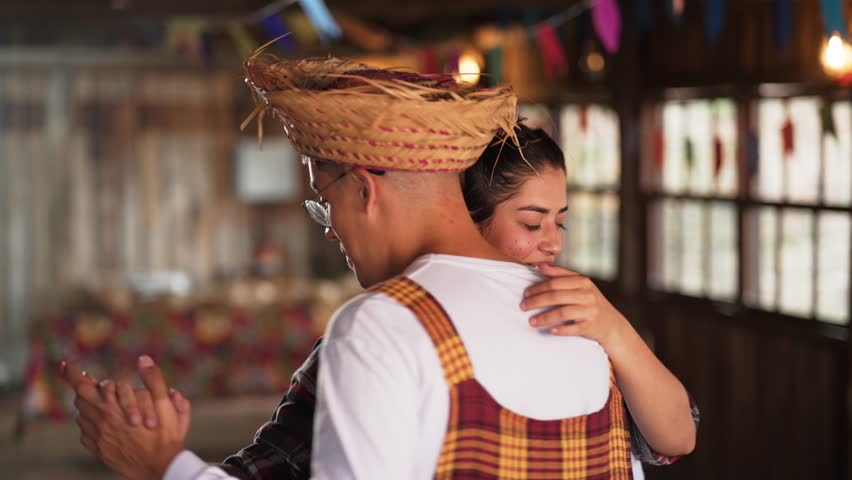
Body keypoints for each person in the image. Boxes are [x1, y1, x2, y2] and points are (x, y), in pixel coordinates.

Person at [62, 56, 696, 480]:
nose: (329, 224)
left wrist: (164, 466)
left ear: (364, 189)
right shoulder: (584, 321)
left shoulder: (382, 324)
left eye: (325, 200)